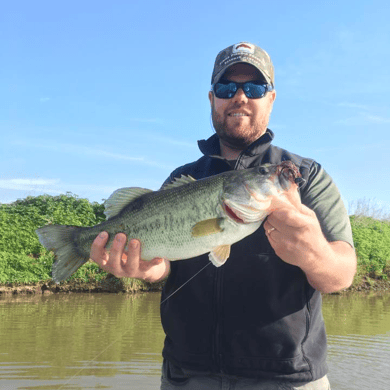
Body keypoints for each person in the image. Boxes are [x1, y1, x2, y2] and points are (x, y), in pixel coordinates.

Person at [90, 42, 357, 389]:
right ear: (212, 99)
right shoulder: (179, 179)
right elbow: (164, 262)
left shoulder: (305, 175)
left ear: (271, 99)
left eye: (255, 88)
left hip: (285, 378)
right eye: (227, 88)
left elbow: (341, 274)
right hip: (187, 375)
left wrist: (316, 252)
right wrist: (150, 268)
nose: (241, 97)